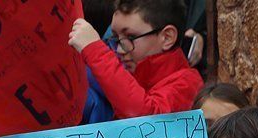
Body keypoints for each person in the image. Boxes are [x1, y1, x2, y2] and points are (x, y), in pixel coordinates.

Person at [68, 0, 204, 119]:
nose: (120, 50)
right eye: (116, 37)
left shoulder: (187, 82)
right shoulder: (124, 73)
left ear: (167, 37)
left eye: (131, 37)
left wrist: (95, 50)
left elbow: (147, 119)